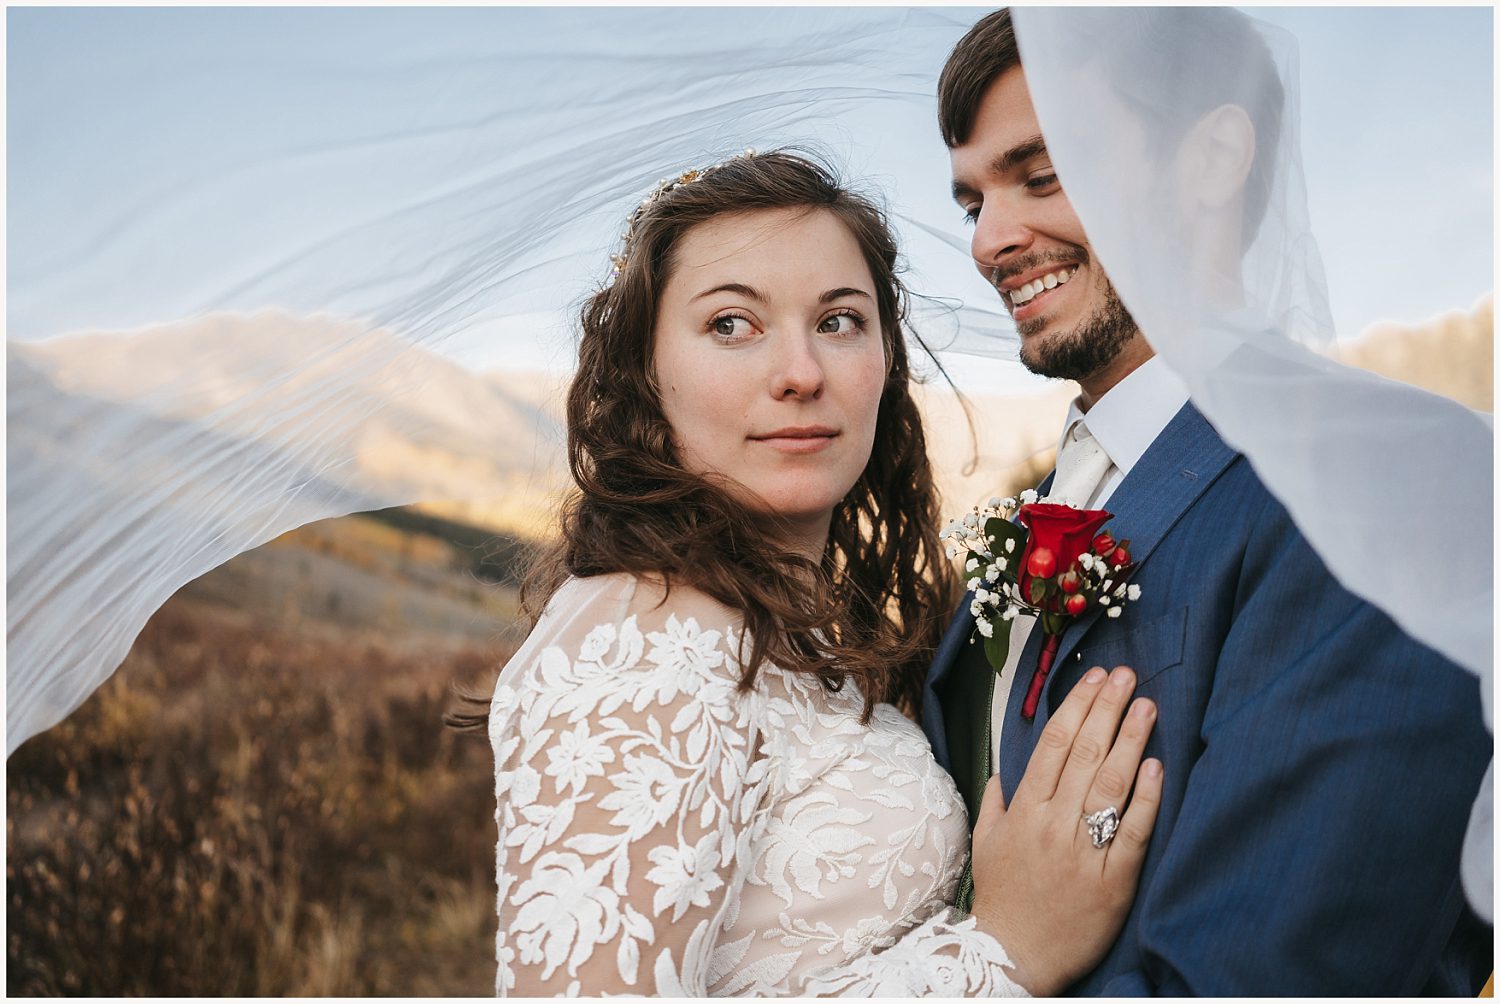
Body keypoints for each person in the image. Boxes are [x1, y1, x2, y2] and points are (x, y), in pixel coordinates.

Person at [480, 150, 1164, 996]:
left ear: (885, 358)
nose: (801, 374)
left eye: (839, 320)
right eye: (731, 325)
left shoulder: (798, 629)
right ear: (645, 373)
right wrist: (1001, 953)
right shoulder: (642, 640)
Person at [922, 8, 1492, 995]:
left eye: (1043, 174)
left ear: (1214, 155)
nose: (990, 241)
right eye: (974, 201)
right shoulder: (1038, 504)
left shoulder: (1389, 476)